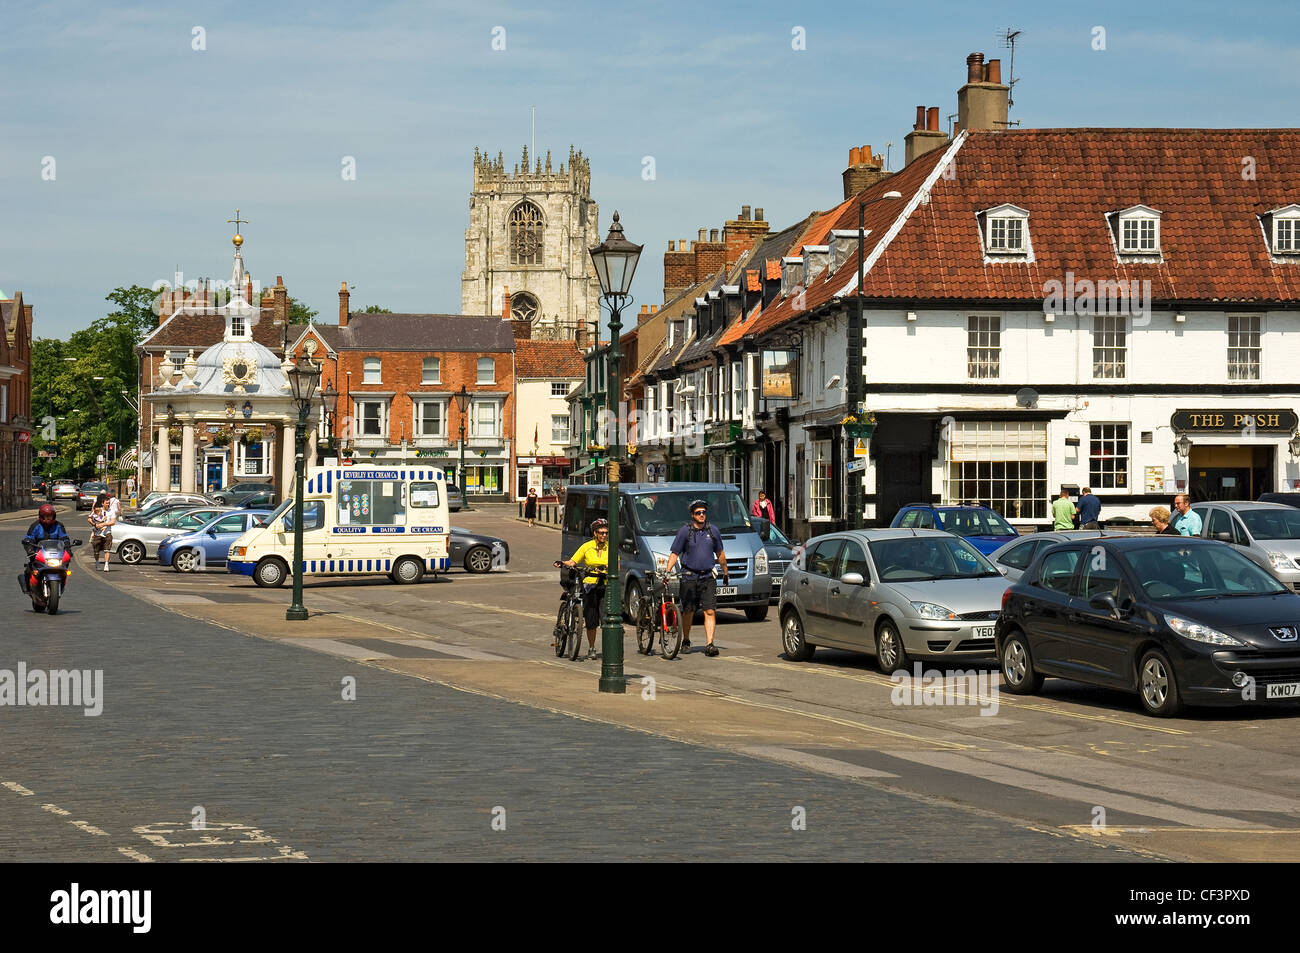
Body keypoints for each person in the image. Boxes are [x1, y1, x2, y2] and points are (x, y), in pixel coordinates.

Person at [664, 499, 729, 657]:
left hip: (708, 576)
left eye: (704, 512)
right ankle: (686, 640)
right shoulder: (685, 531)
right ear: (692, 515)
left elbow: (720, 554)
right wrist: (667, 571)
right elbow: (675, 553)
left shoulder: (713, 531)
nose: (702, 515)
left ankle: (710, 644)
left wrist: (726, 572)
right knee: (688, 611)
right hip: (689, 576)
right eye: (698, 513)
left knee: (710, 611)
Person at [553, 519, 610, 661]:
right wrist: (563, 563)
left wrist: (605, 570)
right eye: (601, 533)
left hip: (605, 585)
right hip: (590, 586)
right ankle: (591, 648)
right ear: (595, 533)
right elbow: (573, 561)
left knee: (607, 619)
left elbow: (617, 566)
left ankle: (609, 649)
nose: (604, 535)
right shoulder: (587, 546)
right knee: (591, 620)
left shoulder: (610, 548)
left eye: (606, 533)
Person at [20, 504, 71, 592]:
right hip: (39, 553)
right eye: (46, 516)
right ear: (41, 516)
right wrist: (30, 550)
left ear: (53, 516)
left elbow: (64, 538)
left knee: (65, 566)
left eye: (50, 516)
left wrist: (68, 549)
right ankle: (28, 587)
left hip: (56, 553)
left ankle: (62, 582)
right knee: (30, 568)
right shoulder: (35, 525)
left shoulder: (59, 525)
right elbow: (28, 538)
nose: (48, 518)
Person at [89, 494, 114, 571]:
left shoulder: (111, 511)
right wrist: (95, 524)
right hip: (97, 533)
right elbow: (89, 518)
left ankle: (106, 565)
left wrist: (103, 524)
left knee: (107, 549)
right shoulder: (97, 510)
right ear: (102, 503)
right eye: (106, 503)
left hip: (107, 533)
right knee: (96, 551)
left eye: (109, 503)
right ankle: (97, 562)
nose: (108, 504)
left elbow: (113, 522)